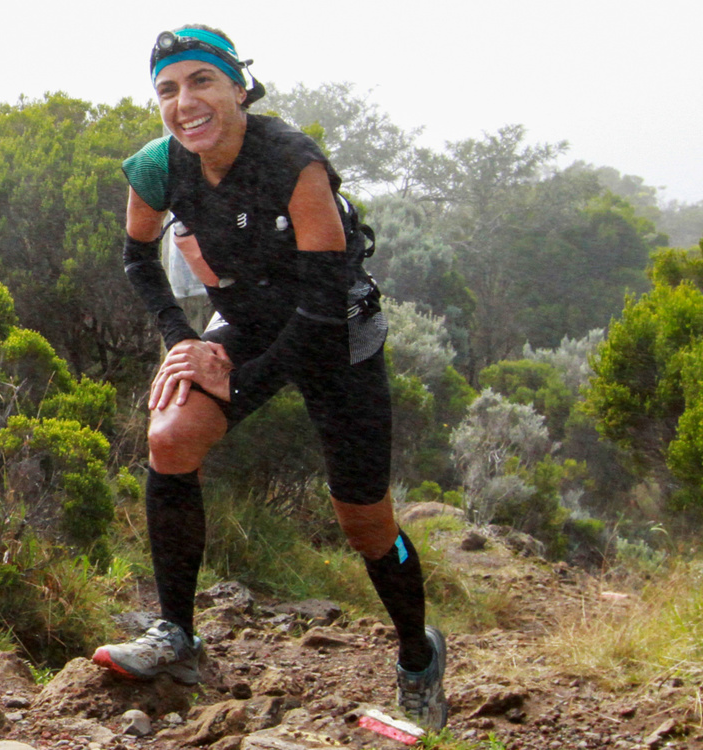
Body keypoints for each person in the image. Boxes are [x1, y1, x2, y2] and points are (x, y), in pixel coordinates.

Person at [92, 25, 448, 731]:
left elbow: (319, 303)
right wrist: (185, 342)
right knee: (171, 437)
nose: (184, 101)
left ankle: (418, 657)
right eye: (167, 89)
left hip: (336, 331)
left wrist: (241, 377)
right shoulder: (159, 167)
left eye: (201, 82)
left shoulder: (292, 161)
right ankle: (177, 637)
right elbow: (137, 259)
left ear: (238, 87)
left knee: (365, 522)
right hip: (249, 320)